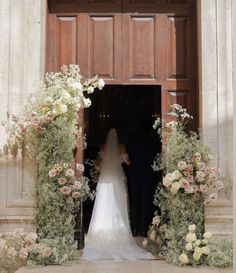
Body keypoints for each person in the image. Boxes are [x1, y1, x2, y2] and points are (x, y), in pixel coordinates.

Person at [82, 128, 153, 261]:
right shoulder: (121, 147)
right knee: (118, 203)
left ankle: (102, 227)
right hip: (117, 179)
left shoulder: (103, 147)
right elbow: (127, 163)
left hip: (104, 180)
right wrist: (123, 160)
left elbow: (99, 166)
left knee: (103, 203)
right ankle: (119, 228)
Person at [127, 123, 160, 237]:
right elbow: (156, 159)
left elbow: (128, 159)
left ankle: (134, 229)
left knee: (134, 201)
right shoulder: (153, 143)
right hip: (148, 176)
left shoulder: (131, 142)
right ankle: (144, 229)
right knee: (146, 202)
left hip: (134, 175)